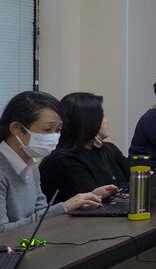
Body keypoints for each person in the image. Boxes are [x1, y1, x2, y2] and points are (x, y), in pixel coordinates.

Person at [1, 91, 110, 233]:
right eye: (47, 129)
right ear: (16, 129)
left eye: (58, 129)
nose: (54, 137)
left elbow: (41, 214)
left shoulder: (30, 164)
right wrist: (64, 207)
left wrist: (86, 198)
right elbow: (2, 232)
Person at [39, 92, 130, 201]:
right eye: (102, 115)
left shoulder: (109, 149)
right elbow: (89, 203)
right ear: (88, 121)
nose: (106, 120)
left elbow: (133, 178)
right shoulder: (65, 160)